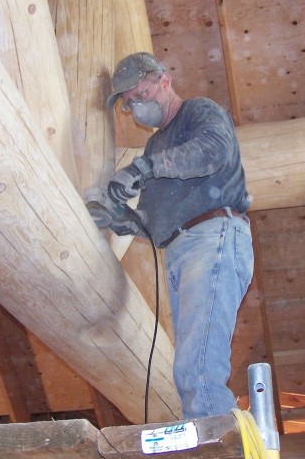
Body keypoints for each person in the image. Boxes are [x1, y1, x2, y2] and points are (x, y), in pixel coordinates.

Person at [100, 52, 254, 420]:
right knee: (190, 365)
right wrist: (119, 217)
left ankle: (215, 446)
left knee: (198, 366)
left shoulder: (198, 112)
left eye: (140, 94)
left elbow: (214, 152)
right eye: (128, 103)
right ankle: (209, 437)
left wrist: (144, 168)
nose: (136, 107)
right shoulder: (156, 146)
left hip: (213, 236)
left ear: (165, 82)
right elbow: (153, 223)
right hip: (182, 249)